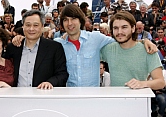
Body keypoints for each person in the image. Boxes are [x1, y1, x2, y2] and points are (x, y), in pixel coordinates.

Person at [11, 4, 157, 87]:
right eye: (66, 20)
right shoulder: (57, 45)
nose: (70, 23)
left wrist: (144, 41)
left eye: (73, 19)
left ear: (81, 20)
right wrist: (19, 38)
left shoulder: (97, 38)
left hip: (93, 97)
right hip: (68, 97)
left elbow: (122, 40)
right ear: (61, 24)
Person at [0, 10, 68, 89]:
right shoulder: (13, 47)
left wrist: (50, 82)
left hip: (43, 97)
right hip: (16, 99)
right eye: (28, 25)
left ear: (42, 27)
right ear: (23, 26)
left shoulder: (54, 47)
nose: (31, 29)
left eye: (35, 25)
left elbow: (62, 74)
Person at [101, 11, 164, 90]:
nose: (119, 32)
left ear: (133, 28)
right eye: (116, 28)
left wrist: (142, 84)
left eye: (124, 27)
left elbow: (161, 82)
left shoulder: (148, 50)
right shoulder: (108, 49)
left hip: (138, 99)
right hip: (115, 99)